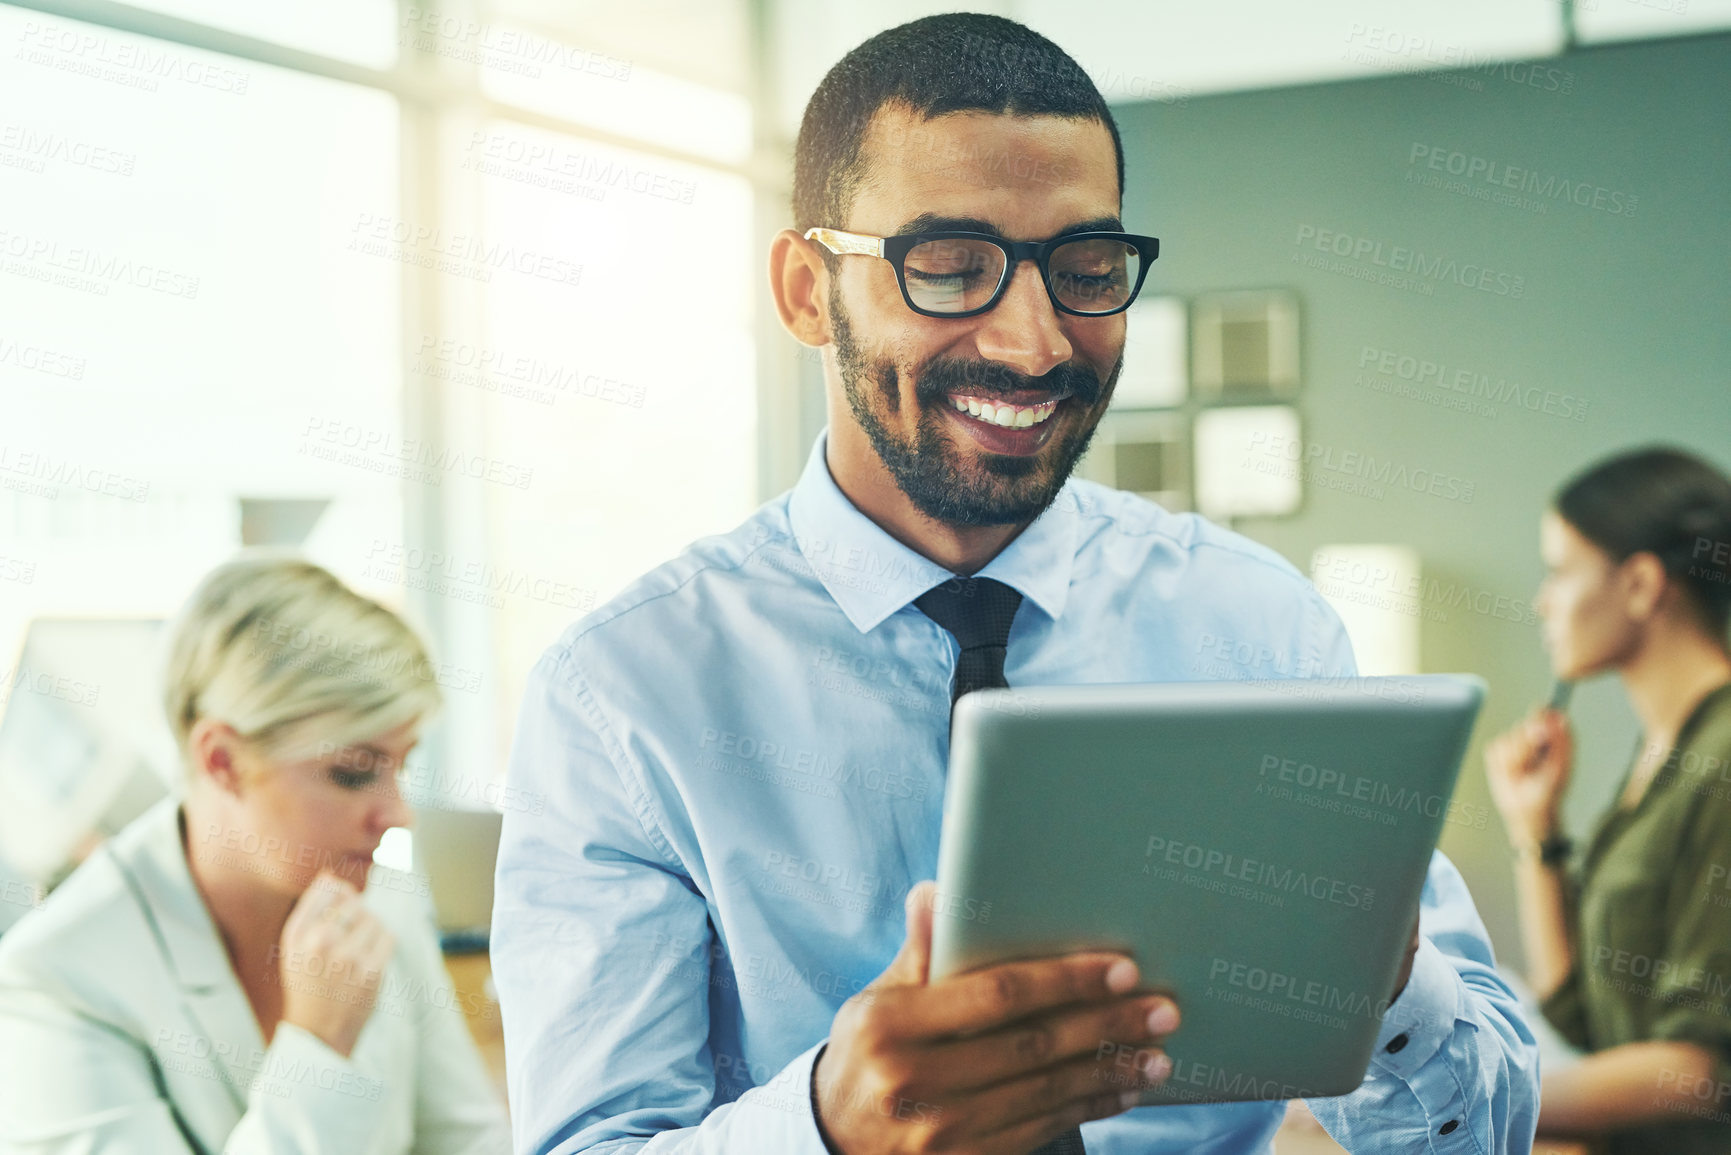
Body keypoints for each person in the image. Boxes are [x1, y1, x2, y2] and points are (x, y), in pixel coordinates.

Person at [493, 14, 1538, 1154]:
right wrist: (825, 1129)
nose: (1036, 343)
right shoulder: (624, 695)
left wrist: (1380, 984)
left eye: (1087, 270)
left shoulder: (1259, 629)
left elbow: (1480, 1135)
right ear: (805, 291)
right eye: (949, 268)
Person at [0, 555, 510, 1154]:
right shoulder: (54, 984)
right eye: (352, 772)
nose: (399, 814)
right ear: (222, 760)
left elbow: (468, 1143)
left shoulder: (382, 902)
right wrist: (319, 1045)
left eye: (403, 766)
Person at [1485, 447, 1731, 1154]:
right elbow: (1585, 1019)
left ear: (1640, 584)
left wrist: (1470, 1096)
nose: (1542, 600)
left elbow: (1699, 1074)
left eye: (1560, 570)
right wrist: (1534, 826)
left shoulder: (1720, 758)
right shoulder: (1666, 751)